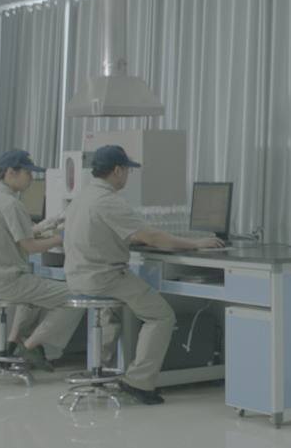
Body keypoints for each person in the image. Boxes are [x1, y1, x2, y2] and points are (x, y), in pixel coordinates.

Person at [63, 145, 223, 405]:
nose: (128, 176)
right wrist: (195, 243)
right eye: (128, 171)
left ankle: (100, 369)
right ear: (118, 170)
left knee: (115, 312)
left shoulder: (83, 197)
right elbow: (151, 237)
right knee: (161, 315)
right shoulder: (108, 201)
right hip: (105, 277)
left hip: (79, 276)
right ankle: (138, 381)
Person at [0, 150, 81, 370]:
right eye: (28, 173)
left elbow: (11, 235)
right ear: (11, 172)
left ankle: (13, 342)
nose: (31, 178)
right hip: (6, 281)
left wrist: (45, 227)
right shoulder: (10, 204)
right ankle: (30, 346)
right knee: (76, 296)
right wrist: (63, 237)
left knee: (35, 290)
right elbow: (30, 247)